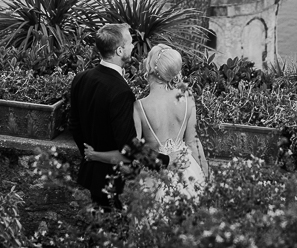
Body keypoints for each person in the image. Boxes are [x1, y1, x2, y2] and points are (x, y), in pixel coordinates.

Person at [85, 43, 208, 200]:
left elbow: (132, 153)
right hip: (188, 173)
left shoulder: (140, 107)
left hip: (154, 180)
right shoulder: (187, 99)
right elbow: (193, 143)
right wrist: (206, 177)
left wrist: (95, 155)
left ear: (150, 68)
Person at [68, 23, 138, 208]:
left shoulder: (81, 78)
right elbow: (127, 146)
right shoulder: (121, 92)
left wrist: (89, 154)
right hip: (114, 180)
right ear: (120, 50)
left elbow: (74, 125)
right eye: (131, 43)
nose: (134, 46)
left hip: (92, 173)